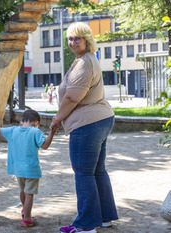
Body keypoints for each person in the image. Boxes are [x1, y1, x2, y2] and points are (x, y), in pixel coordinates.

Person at [50, 22, 118, 233]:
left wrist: (56, 119)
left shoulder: (84, 63)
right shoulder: (87, 60)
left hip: (87, 123)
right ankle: (104, 217)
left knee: (83, 173)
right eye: (70, 38)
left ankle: (86, 225)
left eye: (77, 38)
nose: (72, 42)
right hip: (100, 119)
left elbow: (72, 97)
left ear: (87, 39)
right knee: (97, 170)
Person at [0, 110, 56, 227]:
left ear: (22, 121)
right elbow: (45, 145)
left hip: (18, 169)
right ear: (36, 123)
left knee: (23, 191)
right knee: (29, 194)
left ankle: (24, 210)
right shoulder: (35, 131)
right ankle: (27, 219)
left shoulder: (13, 130)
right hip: (31, 170)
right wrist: (51, 133)